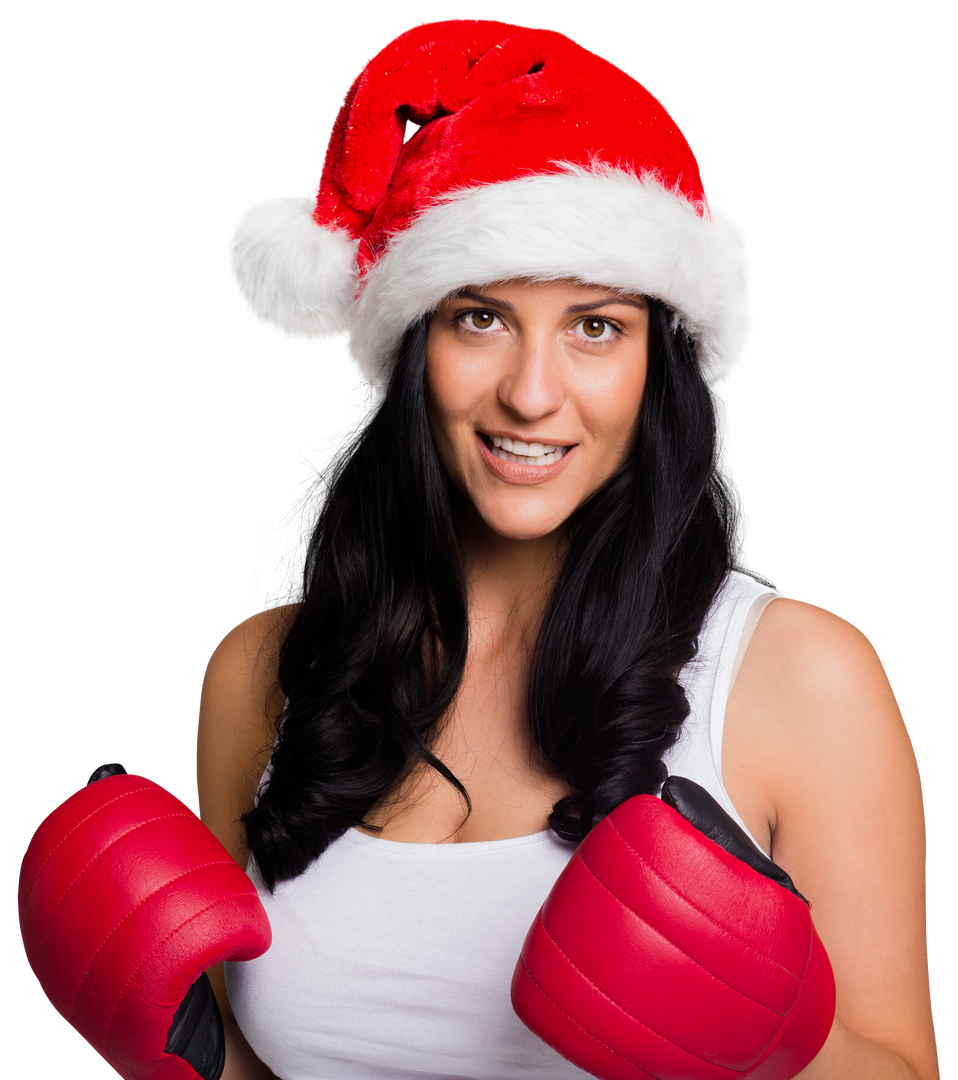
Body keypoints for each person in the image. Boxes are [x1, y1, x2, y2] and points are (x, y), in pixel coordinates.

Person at [18, 16, 935, 1080]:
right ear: (408, 350)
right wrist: (178, 1057)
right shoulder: (262, 676)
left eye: (595, 326)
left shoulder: (798, 676)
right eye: (479, 318)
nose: (532, 393)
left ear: (658, 365)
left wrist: (774, 1042)